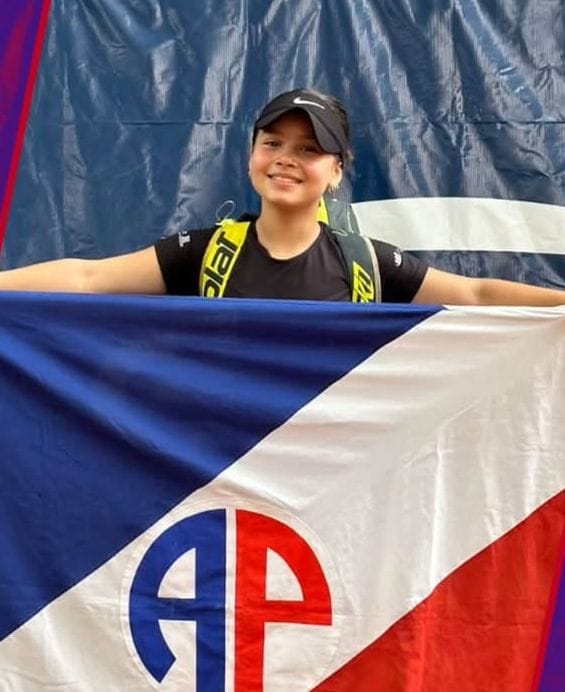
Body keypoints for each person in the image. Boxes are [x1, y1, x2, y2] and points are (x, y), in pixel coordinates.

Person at [0, 88, 564, 306]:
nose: (286, 158)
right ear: (252, 155)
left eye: (309, 149)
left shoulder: (366, 264)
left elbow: (474, 293)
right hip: (224, 476)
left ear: (336, 172)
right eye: (273, 143)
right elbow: (89, 279)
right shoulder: (206, 253)